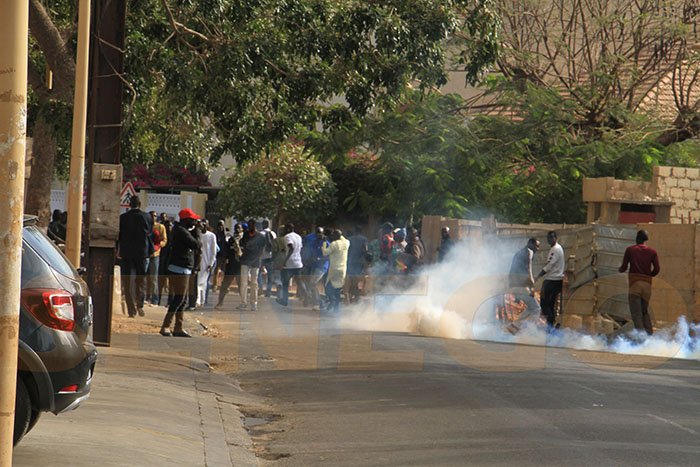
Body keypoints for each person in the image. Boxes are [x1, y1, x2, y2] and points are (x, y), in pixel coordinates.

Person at [159, 208, 201, 337]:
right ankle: (166, 325)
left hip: (183, 268)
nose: (194, 222)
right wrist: (197, 231)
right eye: (192, 220)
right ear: (186, 220)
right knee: (179, 298)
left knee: (183, 300)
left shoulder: (181, 230)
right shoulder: (181, 231)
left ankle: (178, 327)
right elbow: (196, 244)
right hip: (179, 268)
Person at [118, 195, 153, 318]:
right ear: (140, 204)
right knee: (141, 280)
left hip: (126, 253)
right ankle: (140, 304)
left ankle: (131, 310)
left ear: (129, 204)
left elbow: (119, 235)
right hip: (142, 253)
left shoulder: (123, 218)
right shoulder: (147, 217)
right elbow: (149, 233)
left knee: (127, 281)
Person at [619, 229, 660, 335]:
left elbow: (623, 268)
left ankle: (641, 337)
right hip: (647, 284)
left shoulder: (630, 250)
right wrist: (648, 275)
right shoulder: (652, 252)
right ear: (646, 239)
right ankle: (649, 334)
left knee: (636, 313)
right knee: (644, 311)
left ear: (637, 238)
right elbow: (657, 269)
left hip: (635, 284)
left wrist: (620, 269)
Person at [506, 238, 541, 334]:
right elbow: (528, 271)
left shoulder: (519, 253)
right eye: (537, 246)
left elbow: (513, 271)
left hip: (514, 286)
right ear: (530, 244)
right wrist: (532, 287)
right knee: (536, 308)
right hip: (521, 286)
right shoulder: (529, 252)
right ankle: (530, 331)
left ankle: (514, 327)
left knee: (531, 307)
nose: (538, 249)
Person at [536, 231, 565, 329]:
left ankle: (551, 323)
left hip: (552, 280)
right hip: (556, 280)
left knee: (544, 304)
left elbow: (550, 265)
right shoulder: (557, 248)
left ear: (556, 238)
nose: (549, 240)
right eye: (548, 238)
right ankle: (550, 326)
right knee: (551, 304)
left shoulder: (555, 249)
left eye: (552, 237)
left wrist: (538, 276)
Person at [238, 219, 267, 311]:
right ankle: (243, 302)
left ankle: (254, 303)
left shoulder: (261, 237)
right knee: (243, 283)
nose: (250, 227)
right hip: (245, 260)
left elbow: (262, 250)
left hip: (255, 261)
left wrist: (259, 259)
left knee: (254, 283)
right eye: (249, 225)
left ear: (255, 226)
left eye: (252, 225)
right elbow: (242, 244)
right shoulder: (245, 235)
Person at [215, 223, 244, 308]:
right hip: (231, 265)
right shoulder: (231, 240)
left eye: (239, 228)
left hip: (240, 266)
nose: (237, 230)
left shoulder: (243, 240)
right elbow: (226, 251)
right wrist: (224, 260)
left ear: (242, 229)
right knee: (225, 285)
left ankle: (243, 303)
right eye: (236, 228)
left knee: (241, 286)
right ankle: (220, 303)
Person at [322, 229, 350, 312]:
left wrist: (324, 242)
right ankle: (336, 309)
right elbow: (343, 238)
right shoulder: (347, 242)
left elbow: (325, 253)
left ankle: (332, 301)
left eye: (333, 235)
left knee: (328, 288)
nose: (332, 237)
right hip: (343, 269)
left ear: (335, 236)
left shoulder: (334, 244)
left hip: (334, 269)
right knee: (337, 289)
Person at [276, 223, 303, 307]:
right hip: (298, 263)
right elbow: (299, 248)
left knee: (285, 283)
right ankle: (307, 297)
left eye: (284, 229)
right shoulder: (298, 236)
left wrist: (285, 261)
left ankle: (284, 300)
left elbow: (291, 248)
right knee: (300, 282)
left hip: (289, 264)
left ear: (288, 229)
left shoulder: (287, 237)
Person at [306, 227, 330, 310]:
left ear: (323, 233)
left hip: (322, 266)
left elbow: (329, 257)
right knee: (312, 284)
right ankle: (317, 302)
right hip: (314, 265)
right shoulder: (315, 242)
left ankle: (320, 302)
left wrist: (319, 259)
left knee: (312, 283)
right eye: (317, 234)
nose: (318, 235)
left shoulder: (326, 243)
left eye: (320, 234)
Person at [147, 211, 168, 305]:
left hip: (155, 254)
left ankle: (154, 300)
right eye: (151, 216)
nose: (153, 217)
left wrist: (158, 245)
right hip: (145, 254)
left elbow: (164, 240)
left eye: (154, 216)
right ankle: (145, 298)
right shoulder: (146, 226)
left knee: (154, 278)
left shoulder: (160, 227)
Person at [197, 220, 218, 307]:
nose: (203, 226)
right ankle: (198, 300)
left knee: (204, 282)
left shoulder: (211, 236)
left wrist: (211, 263)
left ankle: (202, 300)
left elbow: (213, 251)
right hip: (198, 261)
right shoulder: (198, 234)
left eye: (205, 224)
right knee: (198, 282)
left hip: (207, 262)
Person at [345, 225, 368, 303]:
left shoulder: (349, 239)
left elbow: (347, 250)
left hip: (350, 261)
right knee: (358, 280)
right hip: (359, 262)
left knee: (350, 279)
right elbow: (366, 250)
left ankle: (350, 295)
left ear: (354, 231)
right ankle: (357, 297)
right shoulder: (364, 239)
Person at [257, 220, 277, 297]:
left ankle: (260, 288)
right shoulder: (273, 233)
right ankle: (268, 291)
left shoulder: (260, 234)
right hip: (270, 256)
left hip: (261, 256)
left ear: (263, 225)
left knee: (258, 273)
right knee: (270, 274)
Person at [213, 220, 228, 291]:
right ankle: (215, 285)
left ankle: (224, 286)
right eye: (219, 225)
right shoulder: (215, 235)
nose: (220, 227)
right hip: (217, 256)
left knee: (224, 272)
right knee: (216, 271)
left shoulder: (226, 235)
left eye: (222, 225)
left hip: (224, 255)